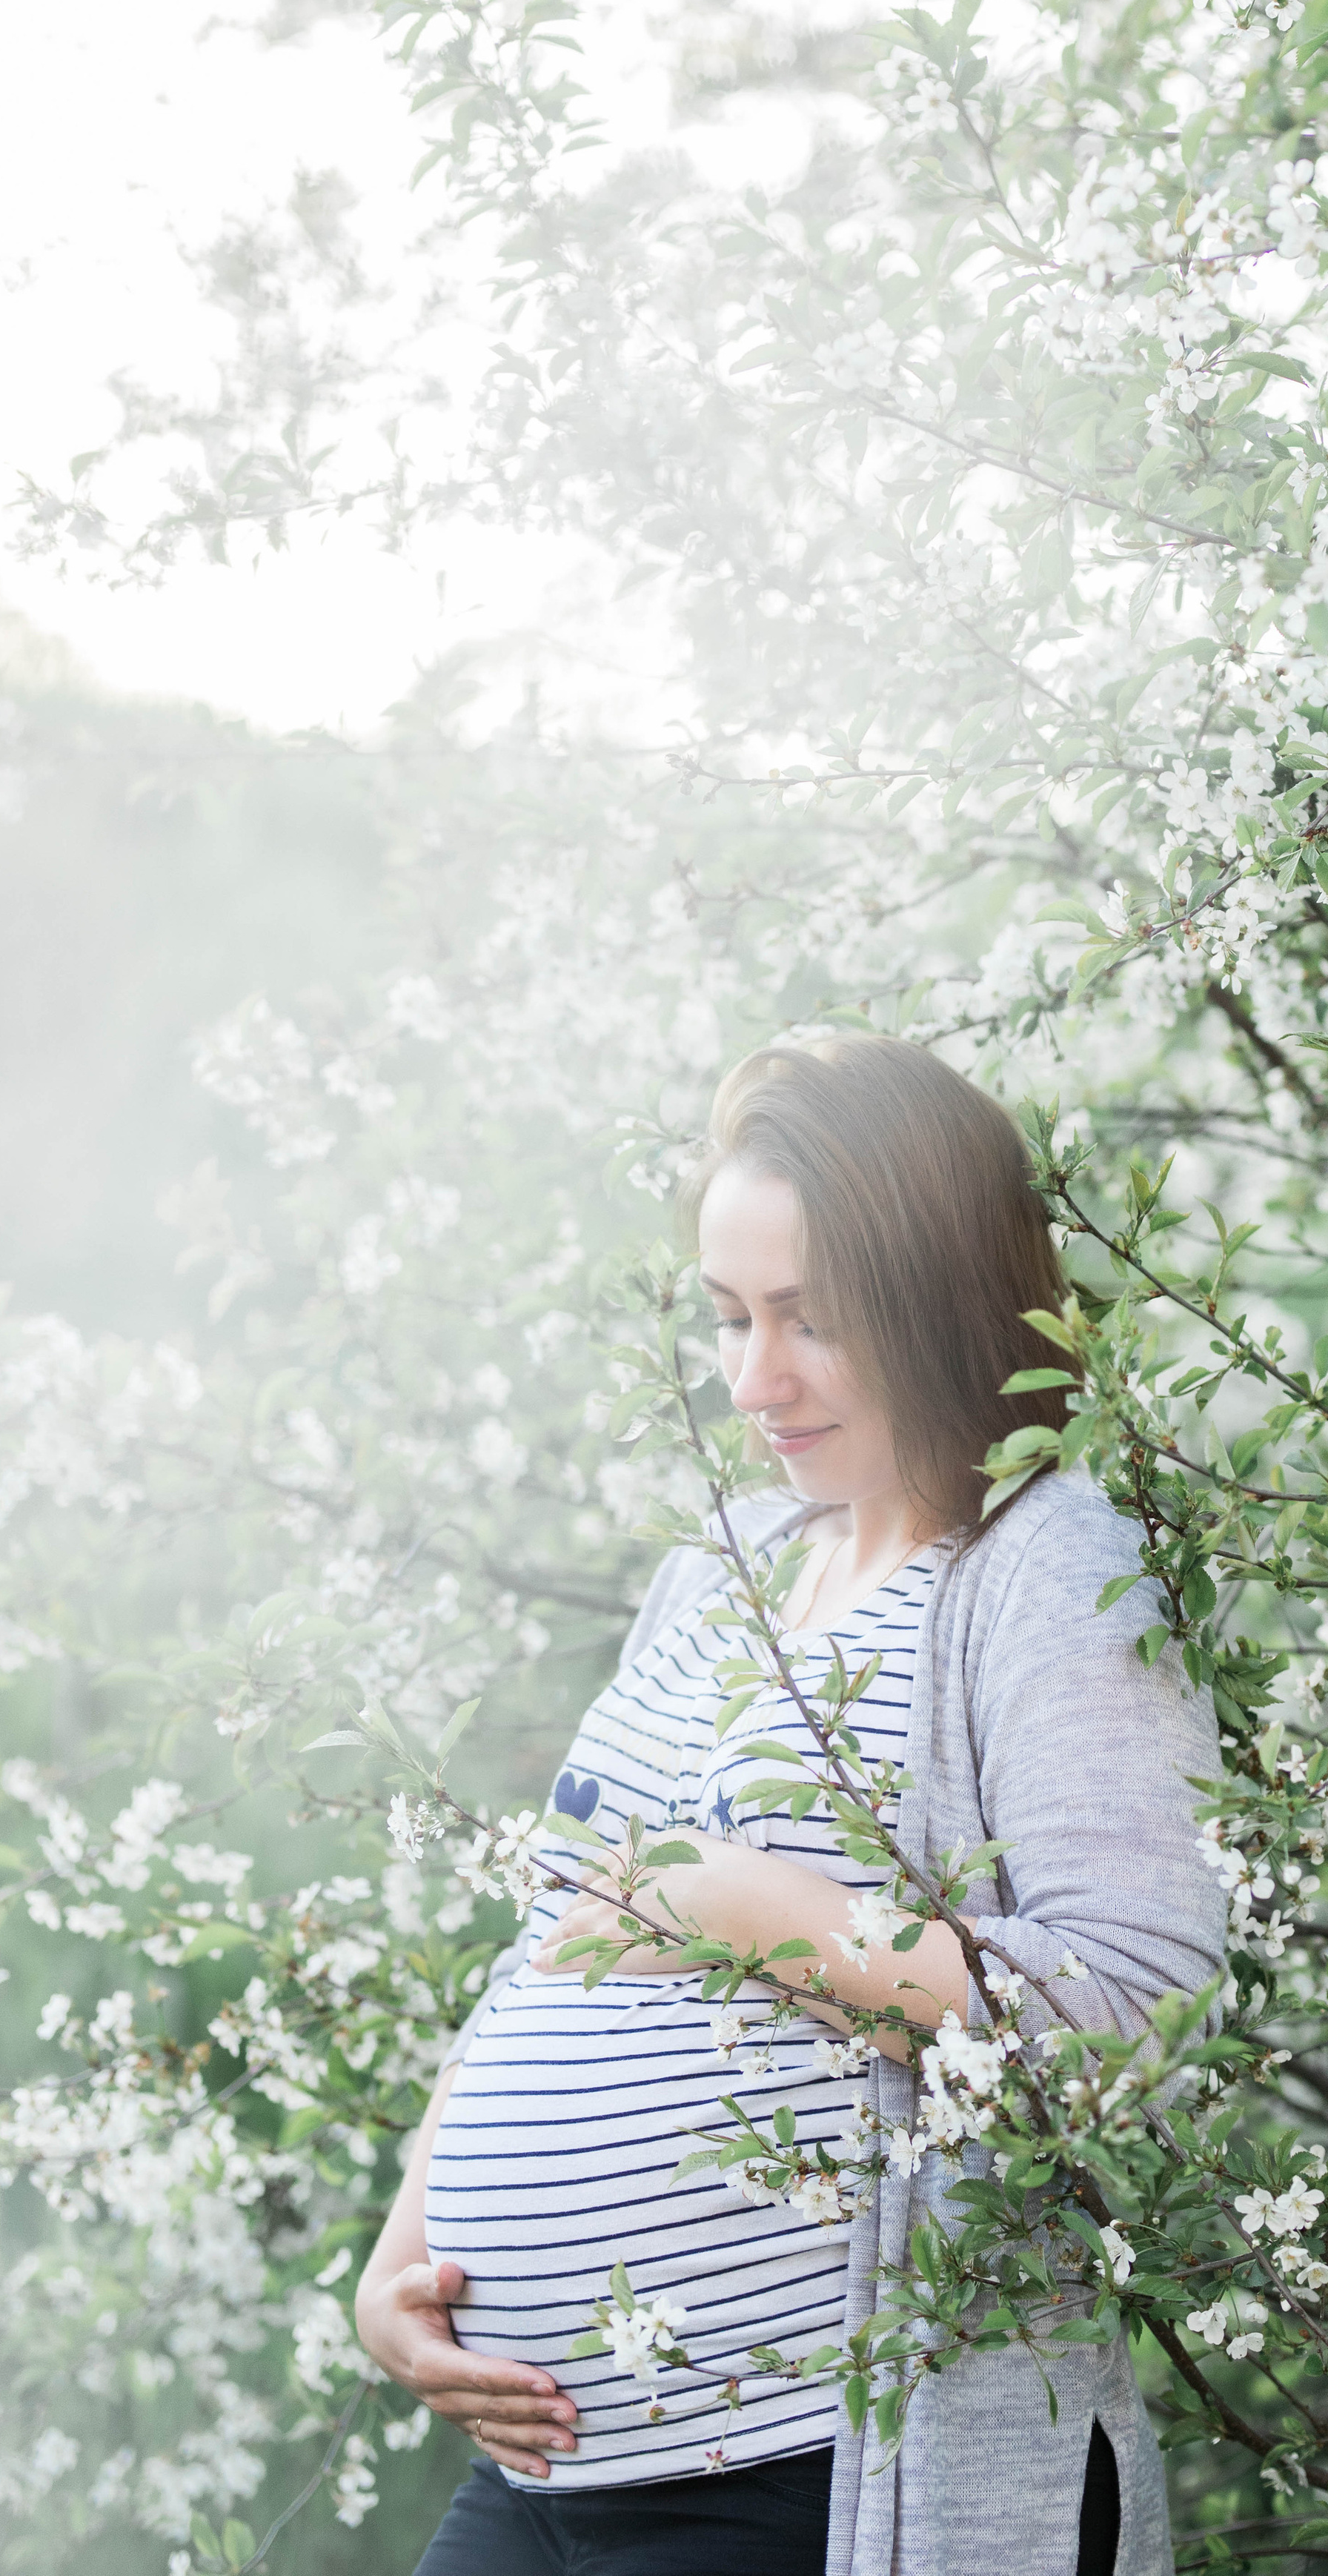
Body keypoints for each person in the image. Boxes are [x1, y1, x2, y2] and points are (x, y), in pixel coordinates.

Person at [356, 1035, 1223, 2576]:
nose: (754, 1381)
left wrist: (737, 1909)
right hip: (542, 2465)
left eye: (810, 1322)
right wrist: (401, 2258)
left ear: (944, 1298)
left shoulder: (1039, 1563)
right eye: (729, 1319)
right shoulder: (721, 1569)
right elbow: (548, 1944)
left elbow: (1131, 2007)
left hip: (806, 2471)